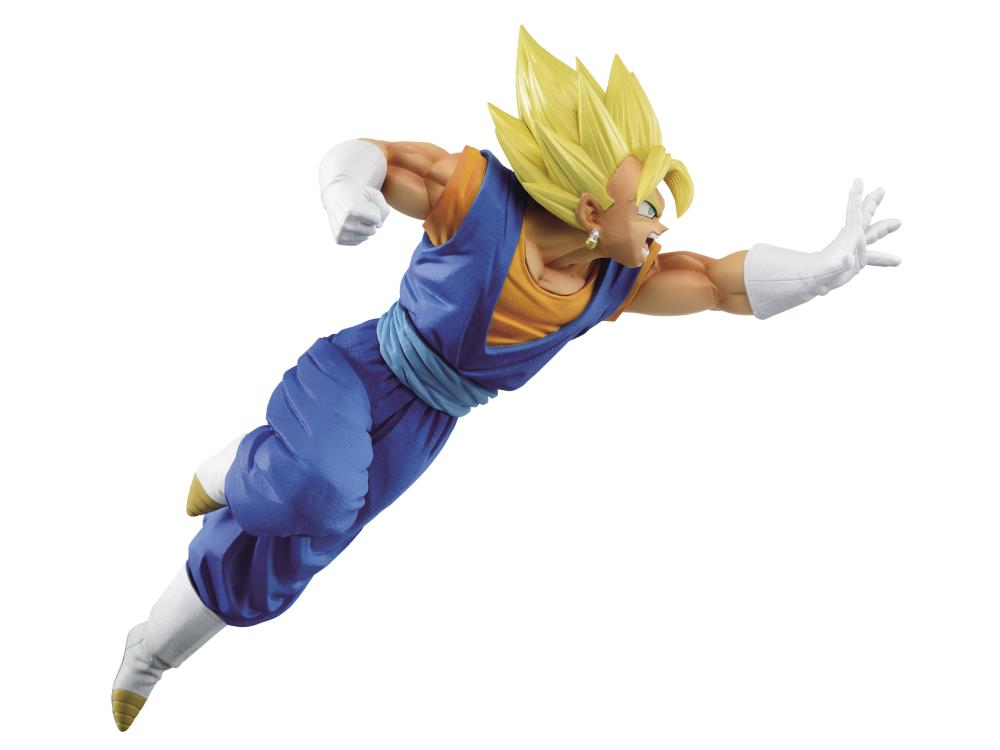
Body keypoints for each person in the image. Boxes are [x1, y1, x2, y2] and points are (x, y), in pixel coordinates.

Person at [110, 26, 902, 732]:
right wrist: (343, 189)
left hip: (428, 426)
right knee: (315, 490)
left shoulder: (613, 283)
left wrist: (821, 270)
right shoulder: (479, 202)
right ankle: (234, 466)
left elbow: (718, 283)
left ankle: (150, 651)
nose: (662, 222)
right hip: (359, 370)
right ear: (589, 206)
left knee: (296, 550)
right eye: (646, 205)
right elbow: (377, 154)